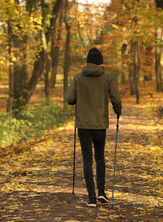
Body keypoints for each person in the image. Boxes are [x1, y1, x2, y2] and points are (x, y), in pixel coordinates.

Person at [66, 47, 122, 207]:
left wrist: (78, 99)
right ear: (100, 62)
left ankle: (91, 198)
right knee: (100, 156)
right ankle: (102, 193)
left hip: (83, 125)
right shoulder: (108, 78)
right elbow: (116, 99)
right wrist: (118, 111)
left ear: (88, 61)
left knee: (87, 160)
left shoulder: (78, 78)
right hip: (99, 125)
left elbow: (69, 98)